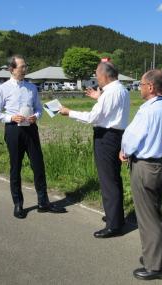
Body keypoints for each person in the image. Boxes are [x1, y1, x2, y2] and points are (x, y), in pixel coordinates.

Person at [60, 60, 130, 238]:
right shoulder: (121, 89)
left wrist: (69, 112)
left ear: (105, 75)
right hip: (116, 136)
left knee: (108, 180)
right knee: (113, 178)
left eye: (97, 75)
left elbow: (94, 117)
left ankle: (114, 225)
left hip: (106, 137)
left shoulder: (110, 92)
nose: (96, 79)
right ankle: (116, 217)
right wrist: (98, 97)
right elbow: (111, 110)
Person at [0, 55, 64, 219]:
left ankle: (43, 203)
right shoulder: (3, 89)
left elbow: (38, 108)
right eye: (22, 66)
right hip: (13, 130)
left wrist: (36, 116)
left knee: (38, 165)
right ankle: (18, 204)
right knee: (15, 167)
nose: (25, 69)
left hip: (31, 129)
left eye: (26, 66)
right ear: (12, 69)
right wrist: (10, 118)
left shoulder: (32, 87)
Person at [120, 70, 162, 280]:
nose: (139, 88)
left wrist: (125, 151)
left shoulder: (147, 111)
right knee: (155, 213)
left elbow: (131, 138)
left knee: (147, 218)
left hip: (145, 166)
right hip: (161, 164)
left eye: (141, 84)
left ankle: (156, 267)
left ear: (150, 87)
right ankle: (159, 256)